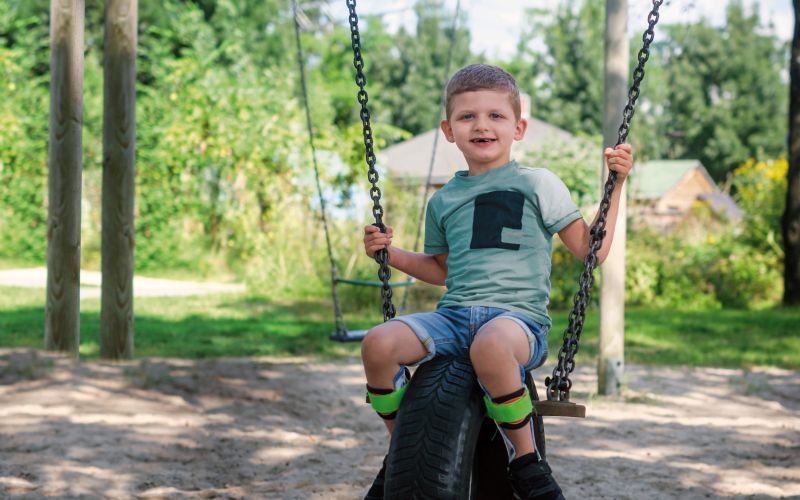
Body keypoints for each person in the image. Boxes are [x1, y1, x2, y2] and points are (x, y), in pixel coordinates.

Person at [360, 64, 633, 500]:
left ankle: (526, 462)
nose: (481, 125)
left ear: (518, 127)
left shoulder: (538, 183)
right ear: (449, 130)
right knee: (378, 342)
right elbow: (442, 270)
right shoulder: (443, 199)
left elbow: (592, 251)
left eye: (495, 116)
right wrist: (389, 254)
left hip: (517, 324)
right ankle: (403, 447)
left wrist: (615, 184)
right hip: (453, 319)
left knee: (490, 343)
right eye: (467, 117)